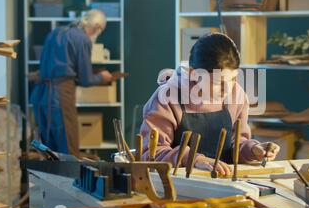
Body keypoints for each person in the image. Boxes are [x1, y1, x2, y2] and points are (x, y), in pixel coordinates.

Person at [139, 33, 280, 176]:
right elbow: (151, 154)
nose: (228, 89)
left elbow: (236, 142)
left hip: (224, 181)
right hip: (177, 185)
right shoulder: (167, 98)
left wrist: (252, 149)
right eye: (218, 82)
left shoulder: (236, 95)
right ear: (194, 74)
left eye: (232, 79)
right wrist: (194, 159)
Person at [31, 10, 113, 157]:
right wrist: (102, 77)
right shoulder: (83, 39)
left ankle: (51, 180)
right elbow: (85, 79)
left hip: (40, 94)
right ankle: (69, 180)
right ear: (97, 27)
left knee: (48, 149)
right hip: (60, 96)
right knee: (67, 147)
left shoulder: (56, 32)